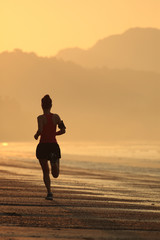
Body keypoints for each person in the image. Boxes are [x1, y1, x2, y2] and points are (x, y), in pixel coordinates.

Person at [34, 94, 66, 200]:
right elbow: (63, 130)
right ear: (51, 105)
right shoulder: (56, 117)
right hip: (53, 146)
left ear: (41, 106)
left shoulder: (40, 118)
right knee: (55, 174)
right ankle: (54, 163)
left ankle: (49, 193)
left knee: (45, 172)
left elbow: (40, 130)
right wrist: (54, 134)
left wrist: (36, 135)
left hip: (43, 146)